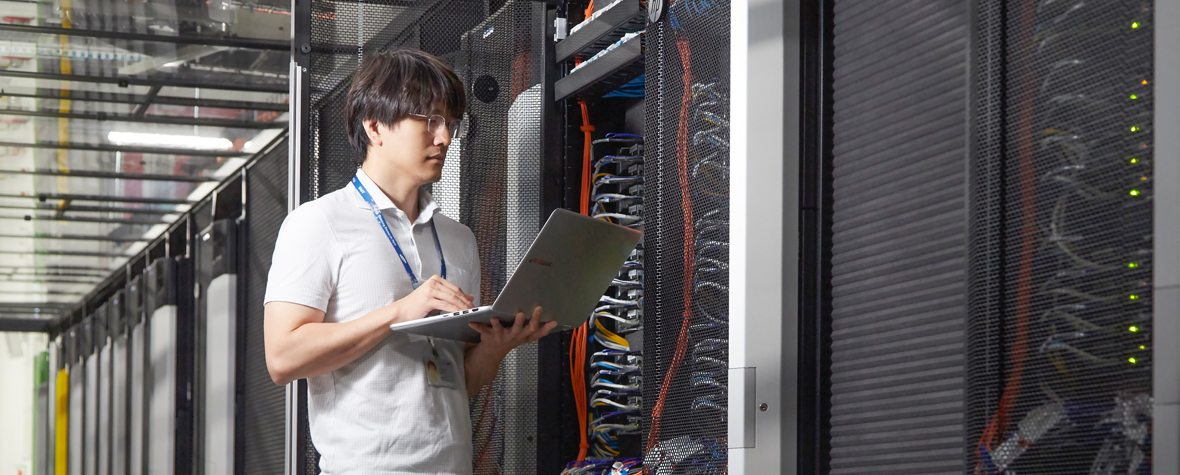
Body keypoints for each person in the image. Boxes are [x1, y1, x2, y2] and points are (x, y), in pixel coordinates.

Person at [263, 48, 556, 474]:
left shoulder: (459, 239)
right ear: (375, 125)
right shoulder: (318, 223)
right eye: (429, 120)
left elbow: (458, 385)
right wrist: (400, 312)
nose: (445, 138)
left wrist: (494, 348)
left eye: (451, 123)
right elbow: (283, 358)